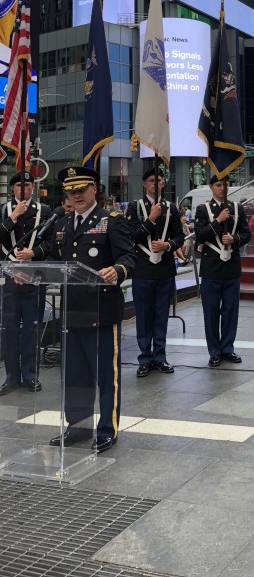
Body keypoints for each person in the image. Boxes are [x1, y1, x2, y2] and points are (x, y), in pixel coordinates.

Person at [48, 166, 135, 454]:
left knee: (105, 376)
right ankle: (78, 426)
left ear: (94, 189)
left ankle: (107, 429)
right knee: (74, 375)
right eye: (70, 191)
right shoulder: (61, 222)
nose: (76, 196)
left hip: (101, 311)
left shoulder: (111, 220)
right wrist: (25, 269)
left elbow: (129, 256)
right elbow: (52, 256)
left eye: (81, 190)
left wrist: (118, 270)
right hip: (71, 312)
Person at [125, 167, 184, 378]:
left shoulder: (173, 209)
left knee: (161, 315)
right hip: (142, 270)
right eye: (151, 180)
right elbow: (132, 237)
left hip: (164, 269)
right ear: (144, 184)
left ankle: (160, 356)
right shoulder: (135, 207)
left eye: (159, 180)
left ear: (164, 183)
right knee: (143, 315)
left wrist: (168, 245)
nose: (155, 184)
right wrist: (150, 219)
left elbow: (180, 236)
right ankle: (145, 358)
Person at [0, 171, 53, 395]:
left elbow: (52, 244)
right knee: (9, 329)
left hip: (34, 277)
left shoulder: (45, 211)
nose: (24, 189)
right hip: (9, 278)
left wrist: (34, 252)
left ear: (33, 188)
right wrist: (13, 217)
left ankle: (31, 375)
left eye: (29, 185)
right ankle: (11, 376)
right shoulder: (3, 210)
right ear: (12, 189)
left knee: (31, 327)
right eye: (20, 185)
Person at [195, 174, 251, 368]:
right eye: (218, 185)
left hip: (231, 268)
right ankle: (214, 351)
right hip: (211, 269)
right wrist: (218, 221)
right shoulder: (202, 209)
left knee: (230, 310)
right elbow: (200, 236)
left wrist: (234, 239)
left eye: (225, 184)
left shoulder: (237, 208)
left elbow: (247, 233)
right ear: (211, 187)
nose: (223, 188)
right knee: (211, 311)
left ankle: (227, 348)